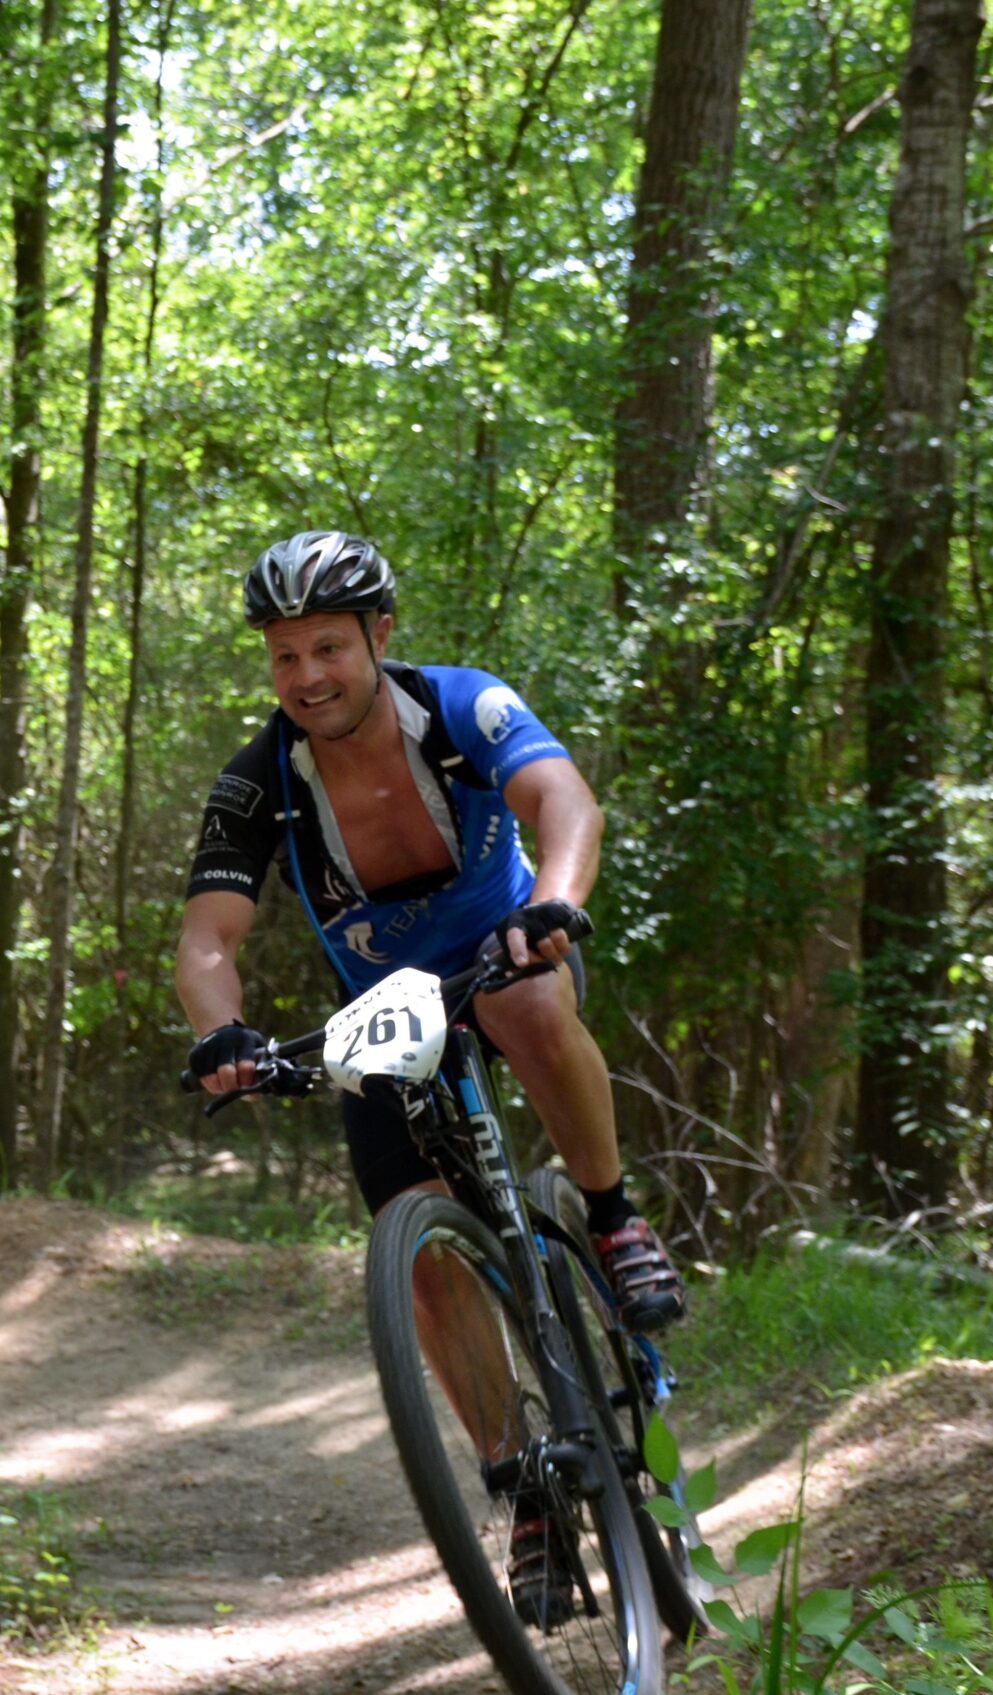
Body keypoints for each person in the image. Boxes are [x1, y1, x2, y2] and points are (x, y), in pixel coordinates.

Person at [175, 530, 685, 1623]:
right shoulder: (258, 779)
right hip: (384, 1013)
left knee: (525, 997)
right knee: (410, 1233)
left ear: (379, 637)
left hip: (510, 953)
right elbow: (208, 939)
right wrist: (224, 1035)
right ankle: (524, 1484)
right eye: (282, 656)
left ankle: (609, 1217)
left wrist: (552, 900)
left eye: (327, 647)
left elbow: (564, 803)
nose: (306, 676)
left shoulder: (459, 706)